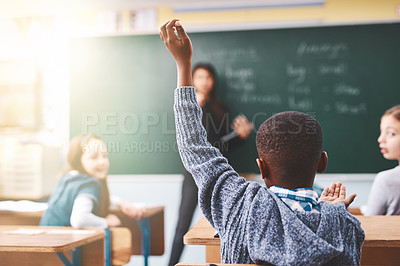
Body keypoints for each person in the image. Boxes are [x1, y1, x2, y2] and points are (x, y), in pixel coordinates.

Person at [160, 19, 364, 265]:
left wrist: (183, 64)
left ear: (261, 166)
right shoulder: (346, 228)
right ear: (322, 163)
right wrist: (334, 213)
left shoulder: (241, 204)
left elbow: (195, 147)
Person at [168, 61, 254, 265]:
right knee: (183, 224)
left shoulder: (219, 108)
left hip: (218, 173)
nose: (204, 82)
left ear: (213, 81)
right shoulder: (189, 107)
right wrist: (194, 108)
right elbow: (191, 142)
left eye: (208, 77)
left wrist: (240, 137)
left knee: (224, 225)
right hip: (193, 173)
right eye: (199, 77)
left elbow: (219, 145)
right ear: (191, 80)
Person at [40, 133, 146, 228]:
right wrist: (106, 222)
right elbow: (79, 220)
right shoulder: (89, 184)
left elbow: (90, 199)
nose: (102, 162)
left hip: (47, 241)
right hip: (62, 244)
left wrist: (120, 203)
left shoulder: (67, 178)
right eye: (94, 157)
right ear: (78, 160)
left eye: (105, 156)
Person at [365, 105, 400, 215]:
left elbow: (370, 224)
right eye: (381, 132)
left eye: (391, 133)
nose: (380, 139)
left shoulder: (386, 180)